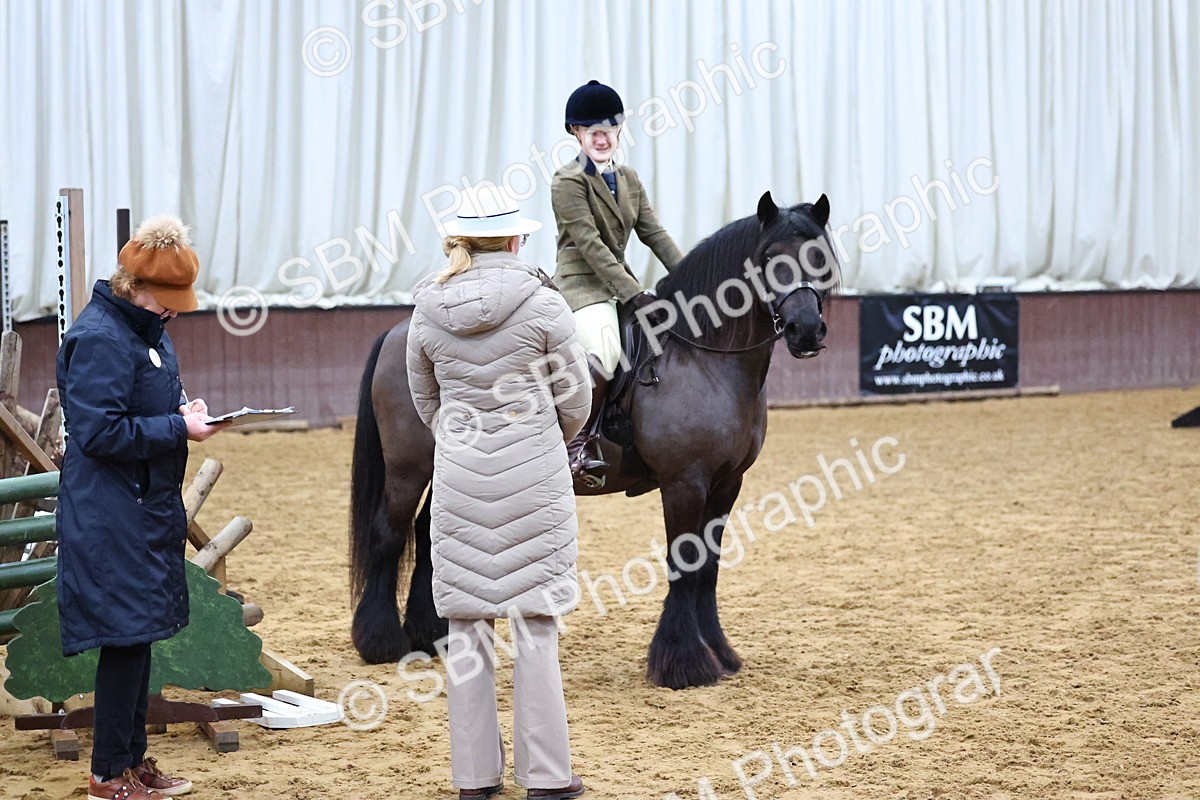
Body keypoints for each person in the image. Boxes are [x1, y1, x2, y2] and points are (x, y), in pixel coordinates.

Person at [406, 186, 591, 800]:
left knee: (466, 631)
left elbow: (426, 402)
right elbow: (577, 399)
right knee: (536, 624)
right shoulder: (545, 303)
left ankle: (474, 779)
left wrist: (461, 440)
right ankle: (547, 778)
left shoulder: (427, 308)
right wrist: (541, 437)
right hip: (534, 481)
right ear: (516, 239)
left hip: (459, 484)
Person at [56, 215, 229, 800]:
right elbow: (99, 432)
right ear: (136, 287)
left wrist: (182, 409)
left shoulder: (143, 332)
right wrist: (177, 427)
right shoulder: (99, 338)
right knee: (124, 640)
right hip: (111, 512)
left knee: (139, 635)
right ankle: (108, 774)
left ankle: (132, 762)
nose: (175, 312)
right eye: (169, 301)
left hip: (140, 507)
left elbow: (142, 405)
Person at [550, 79, 684, 484]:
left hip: (619, 286)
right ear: (577, 133)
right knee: (607, 352)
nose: (602, 138)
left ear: (619, 130)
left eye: (609, 129)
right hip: (583, 286)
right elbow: (591, 247)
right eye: (593, 131)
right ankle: (578, 446)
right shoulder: (567, 181)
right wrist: (635, 292)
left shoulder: (628, 178)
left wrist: (693, 276)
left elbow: (654, 233)